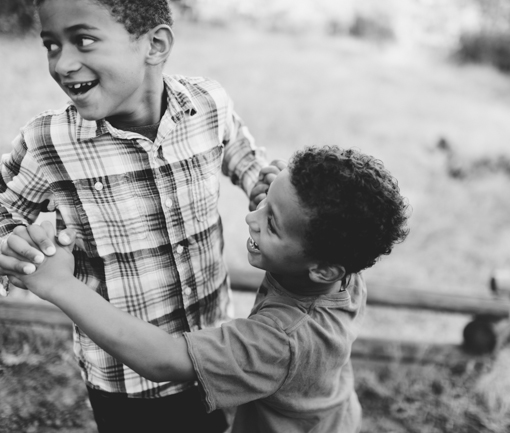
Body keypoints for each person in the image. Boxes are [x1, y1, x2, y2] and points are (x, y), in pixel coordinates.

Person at [0, 0, 282, 431]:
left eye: (84, 40)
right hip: (126, 380)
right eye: (51, 45)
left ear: (155, 44)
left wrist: (260, 181)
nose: (63, 63)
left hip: (212, 348)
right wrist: (10, 238)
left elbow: (241, 153)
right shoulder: (49, 142)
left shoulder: (208, 104)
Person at [15, 145, 410, 433]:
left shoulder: (281, 340)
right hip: (336, 414)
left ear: (323, 269)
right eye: (265, 204)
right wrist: (276, 204)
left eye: (271, 223)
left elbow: (166, 360)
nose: (251, 218)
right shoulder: (344, 268)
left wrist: (59, 285)